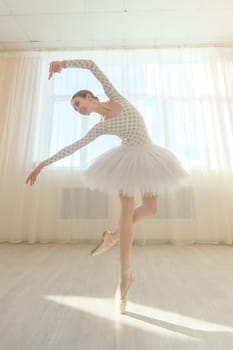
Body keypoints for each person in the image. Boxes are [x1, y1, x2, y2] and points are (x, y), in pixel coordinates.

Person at [26, 59, 188, 313]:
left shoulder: (116, 97)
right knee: (126, 211)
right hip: (126, 161)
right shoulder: (101, 127)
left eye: (79, 104)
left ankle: (112, 235)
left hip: (148, 157)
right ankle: (125, 278)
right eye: (75, 109)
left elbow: (91, 65)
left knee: (151, 208)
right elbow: (74, 146)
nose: (79, 110)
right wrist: (43, 164)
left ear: (89, 97)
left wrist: (63, 65)